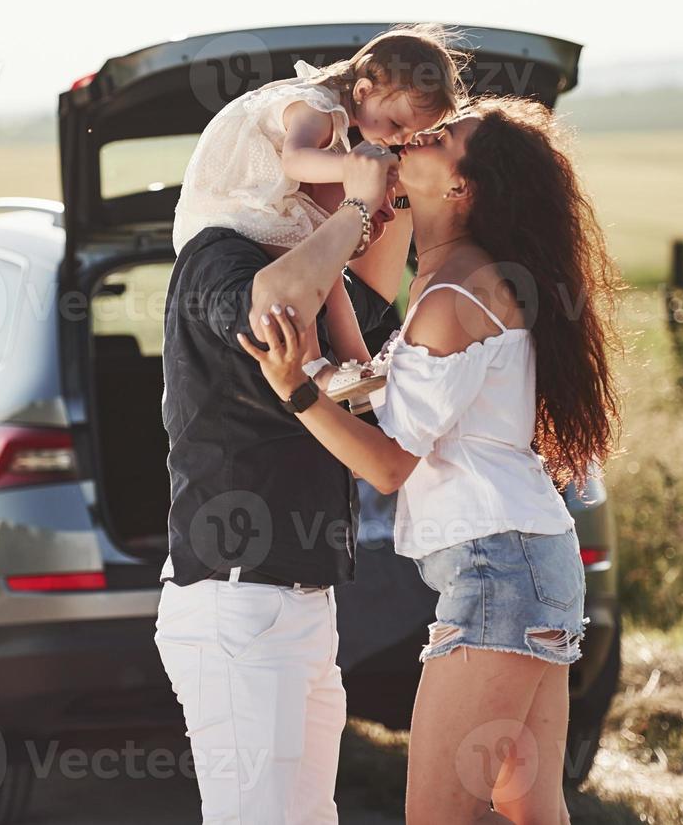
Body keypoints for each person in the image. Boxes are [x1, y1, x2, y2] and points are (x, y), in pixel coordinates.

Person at [239, 96, 623, 825]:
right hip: (531, 561)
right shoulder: (461, 281)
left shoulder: (451, 295)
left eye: (443, 137)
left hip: (497, 572)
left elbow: (388, 467)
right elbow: (384, 396)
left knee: (440, 814)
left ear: (459, 188)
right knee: (527, 806)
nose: (420, 133)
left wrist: (292, 391)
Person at [155, 134, 412, 824]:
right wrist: (356, 208)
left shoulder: (320, 288)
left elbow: (376, 303)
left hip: (299, 602)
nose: (372, 207)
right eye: (350, 173)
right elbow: (267, 314)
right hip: (236, 600)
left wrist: (392, 203)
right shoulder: (219, 252)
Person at [172, 23, 467, 386]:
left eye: (409, 134)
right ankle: (316, 371)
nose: (398, 139)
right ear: (362, 89)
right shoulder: (316, 106)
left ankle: (358, 366)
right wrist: (355, 170)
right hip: (238, 205)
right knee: (306, 270)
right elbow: (295, 161)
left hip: (267, 201)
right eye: (395, 123)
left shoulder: (340, 116)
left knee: (329, 274)